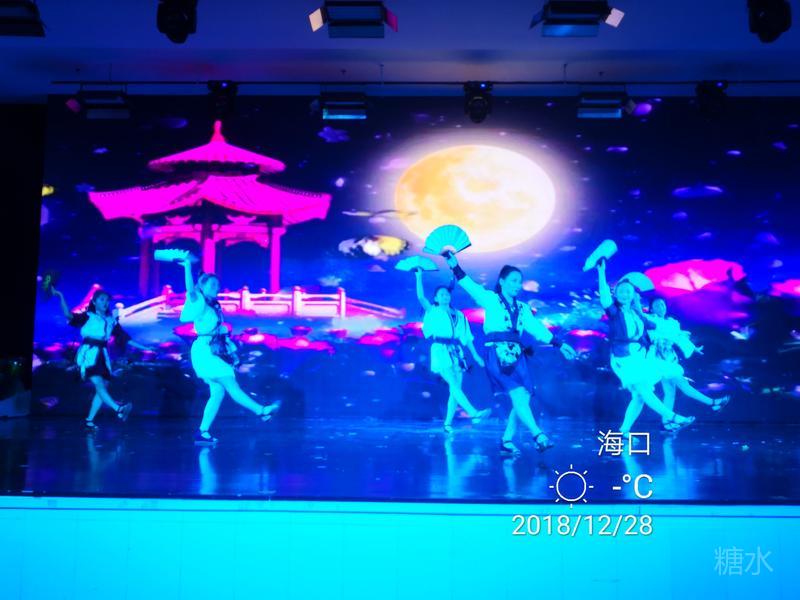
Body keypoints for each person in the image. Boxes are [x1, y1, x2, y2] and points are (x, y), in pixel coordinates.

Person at [446, 254, 577, 454]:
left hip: (517, 355)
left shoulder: (523, 308)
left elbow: (537, 328)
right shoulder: (491, 299)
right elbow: (470, 286)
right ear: (502, 281)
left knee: (523, 396)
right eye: (513, 280)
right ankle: (538, 435)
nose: (517, 285)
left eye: (519, 281)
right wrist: (455, 266)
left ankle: (506, 440)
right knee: (517, 393)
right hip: (496, 353)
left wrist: (559, 344)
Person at [178, 259, 280, 444]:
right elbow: (190, 290)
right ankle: (261, 411)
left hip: (213, 350)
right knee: (231, 385)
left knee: (218, 392)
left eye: (217, 284)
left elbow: (220, 333)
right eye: (212, 284)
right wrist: (187, 266)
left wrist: (231, 351)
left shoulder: (214, 306)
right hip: (205, 351)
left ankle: (203, 432)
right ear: (202, 287)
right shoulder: (198, 301)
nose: (216, 287)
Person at [596, 260, 695, 435]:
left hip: (638, 356)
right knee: (642, 387)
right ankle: (671, 417)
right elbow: (604, 295)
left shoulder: (636, 313)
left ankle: (624, 430)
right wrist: (601, 272)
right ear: (616, 294)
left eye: (628, 291)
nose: (625, 294)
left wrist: (679, 335)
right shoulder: (614, 311)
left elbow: (656, 326)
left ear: (633, 294)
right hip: (622, 358)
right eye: (621, 291)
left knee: (639, 396)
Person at [53, 286, 147, 430]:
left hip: (102, 354)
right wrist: (60, 296)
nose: (105, 302)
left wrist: (146, 348)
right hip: (89, 353)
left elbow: (125, 338)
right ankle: (118, 409)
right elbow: (68, 315)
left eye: (107, 300)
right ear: (94, 302)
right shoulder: (88, 316)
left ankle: (89, 421)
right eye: (102, 299)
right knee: (99, 383)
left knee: (102, 387)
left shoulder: (111, 320)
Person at [414, 269, 490, 433]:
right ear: (436, 298)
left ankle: (447, 424)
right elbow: (421, 297)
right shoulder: (433, 310)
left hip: (456, 351)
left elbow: (467, 337)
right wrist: (419, 276)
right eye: (441, 294)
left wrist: (476, 356)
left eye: (447, 294)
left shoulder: (460, 315)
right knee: (454, 385)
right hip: (440, 350)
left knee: (455, 390)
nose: (445, 296)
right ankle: (473, 413)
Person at [647, 297, 730, 429]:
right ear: (651, 308)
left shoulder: (672, 322)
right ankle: (713, 402)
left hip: (669, 358)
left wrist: (694, 348)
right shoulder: (650, 320)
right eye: (657, 305)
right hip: (657, 358)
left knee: (670, 391)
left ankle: (667, 423)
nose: (661, 307)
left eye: (662, 304)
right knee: (683, 384)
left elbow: (679, 337)